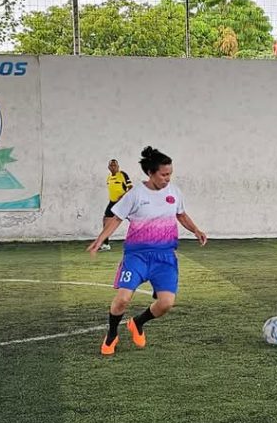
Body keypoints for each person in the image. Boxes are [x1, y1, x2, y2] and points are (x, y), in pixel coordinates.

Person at [87, 146, 207, 356]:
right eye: (163, 174)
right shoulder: (135, 194)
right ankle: (112, 334)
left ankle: (138, 322)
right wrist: (100, 239)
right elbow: (116, 218)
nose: (167, 179)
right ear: (150, 173)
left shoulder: (174, 192)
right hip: (137, 256)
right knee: (123, 299)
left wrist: (196, 230)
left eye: (170, 174)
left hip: (165, 257)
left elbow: (181, 214)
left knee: (166, 303)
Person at [101, 158, 133, 251]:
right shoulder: (109, 177)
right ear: (109, 167)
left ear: (118, 166)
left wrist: (123, 197)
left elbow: (131, 188)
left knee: (136, 221)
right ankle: (106, 244)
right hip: (112, 203)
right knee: (105, 221)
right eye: (111, 165)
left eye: (115, 165)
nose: (113, 167)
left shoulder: (123, 175)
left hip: (124, 203)